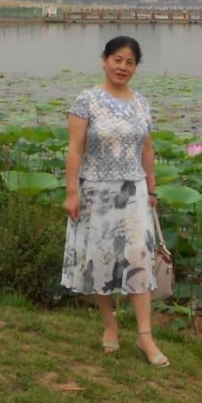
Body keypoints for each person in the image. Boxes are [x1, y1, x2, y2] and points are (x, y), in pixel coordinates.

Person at [61, 36, 168, 367]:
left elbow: (146, 149)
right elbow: (75, 149)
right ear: (104, 60)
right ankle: (110, 326)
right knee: (101, 259)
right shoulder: (86, 101)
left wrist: (151, 190)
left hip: (133, 190)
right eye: (117, 59)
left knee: (138, 256)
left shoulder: (141, 104)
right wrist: (71, 192)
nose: (123, 67)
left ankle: (145, 336)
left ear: (136, 67)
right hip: (96, 191)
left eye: (130, 62)